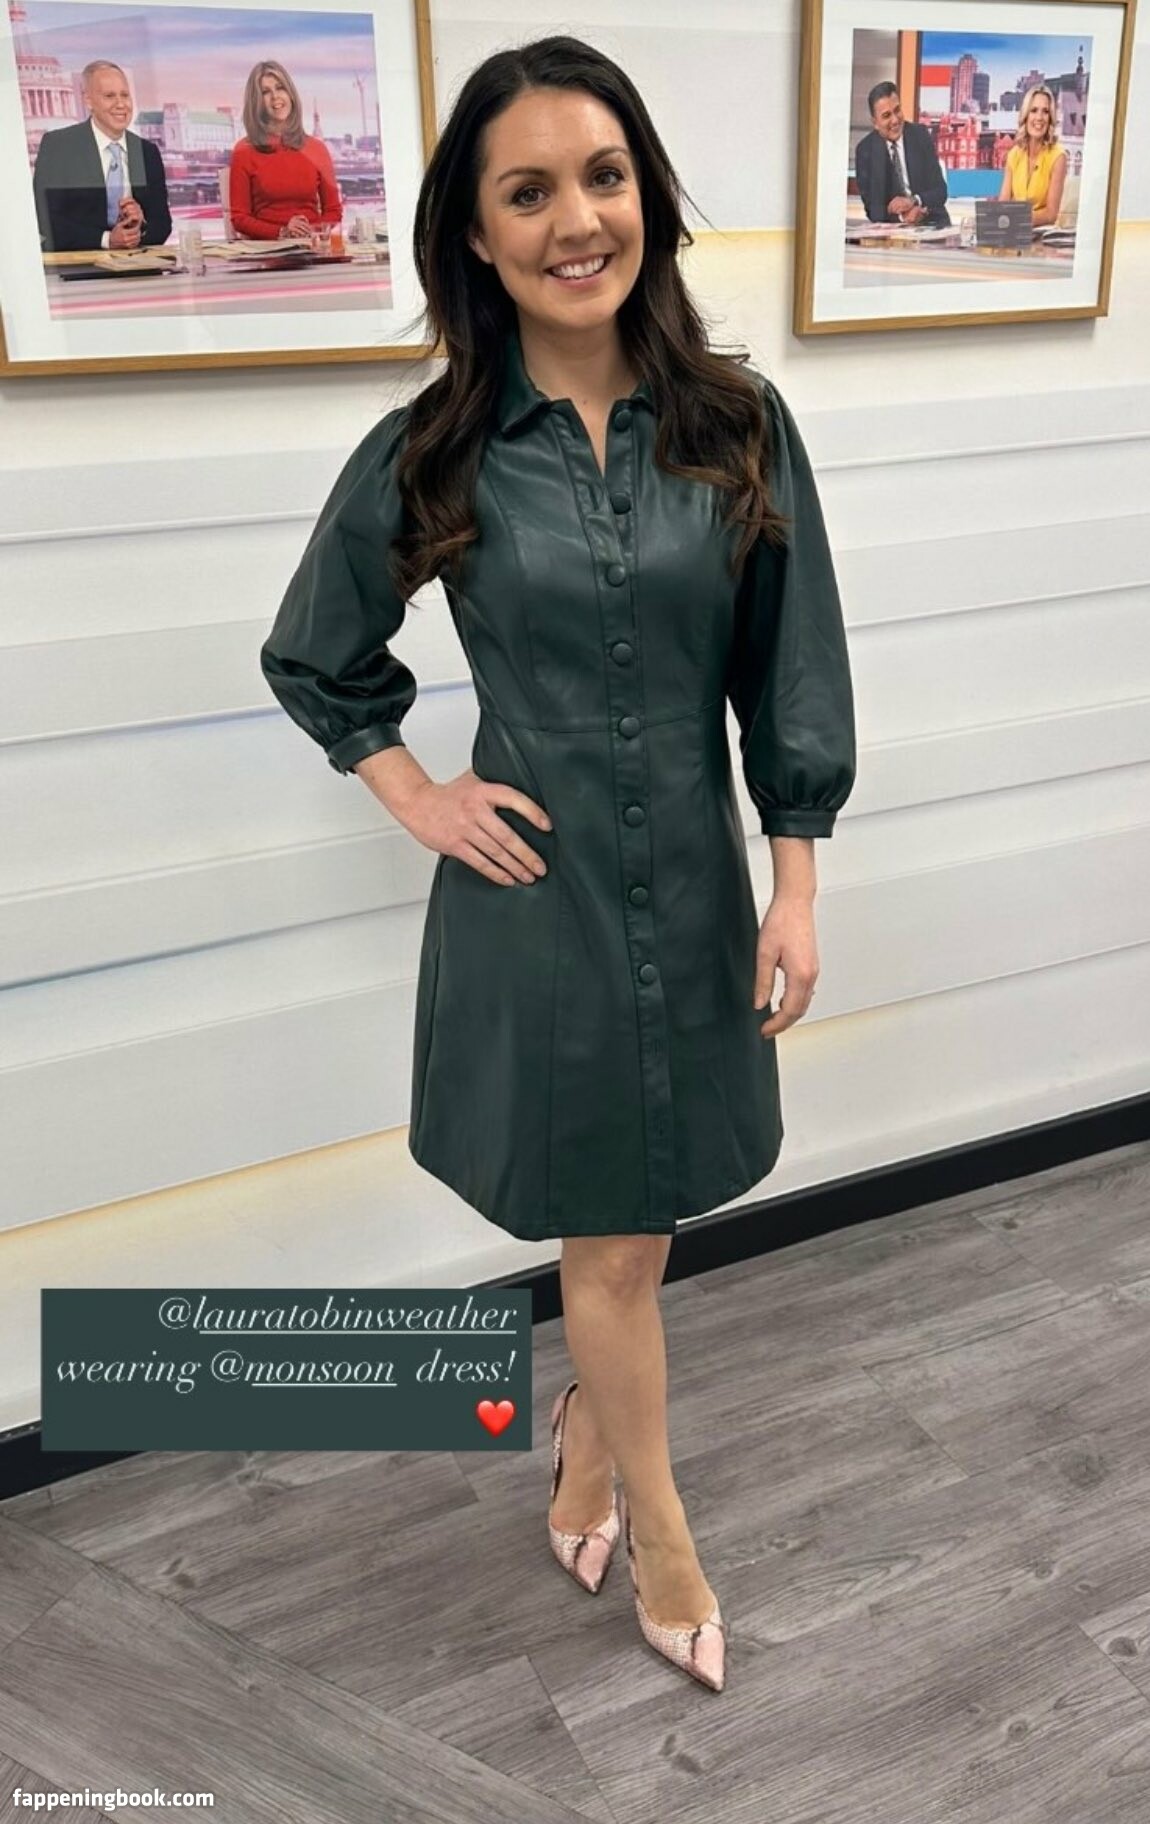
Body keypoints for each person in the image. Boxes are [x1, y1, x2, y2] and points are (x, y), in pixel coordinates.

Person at [260, 36, 856, 1696]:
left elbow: (789, 666)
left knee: (635, 1237)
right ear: (475, 231)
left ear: (644, 194)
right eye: (526, 192)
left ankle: (587, 1435)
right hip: (541, 909)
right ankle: (662, 1532)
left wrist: (796, 876)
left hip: (697, 893)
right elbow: (315, 652)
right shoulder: (436, 449)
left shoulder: (737, 424)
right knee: (606, 1242)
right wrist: (413, 792)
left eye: (602, 177)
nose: (575, 220)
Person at [32, 60, 172, 254]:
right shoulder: (59, 146)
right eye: (109, 96)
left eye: (125, 95)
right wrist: (107, 240)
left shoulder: (147, 151)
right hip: (78, 266)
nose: (121, 104)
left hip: (136, 264)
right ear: (88, 101)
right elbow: (44, 219)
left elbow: (163, 224)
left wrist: (141, 226)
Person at [228, 60, 341, 241]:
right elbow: (240, 219)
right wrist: (282, 232)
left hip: (312, 246)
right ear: (256, 102)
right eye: (265, 92)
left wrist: (314, 232)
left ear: (290, 94)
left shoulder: (317, 149)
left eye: (280, 88)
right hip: (268, 248)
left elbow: (333, 211)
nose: (275, 97)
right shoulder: (244, 151)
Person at [854, 80, 951, 228]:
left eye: (897, 110)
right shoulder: (866, 151)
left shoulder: (920, 135)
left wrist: (915, 201)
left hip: (932, 223)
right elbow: (873, 209)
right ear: (875, 123)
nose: (895, 120)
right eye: (886, 115)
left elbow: (940, 191)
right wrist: (903, 217)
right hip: (893, 231)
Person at [998, 84, 1068, 227]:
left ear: (1050, 118)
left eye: (1045, 112)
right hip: (1012, 232)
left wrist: (1016, 219)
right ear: (1026, 115)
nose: (1039, 117)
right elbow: (1002, 204)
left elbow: (1050, 214)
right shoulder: (1014, 154)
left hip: (1040, 235)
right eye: (1034, 110)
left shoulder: (1058, 157)